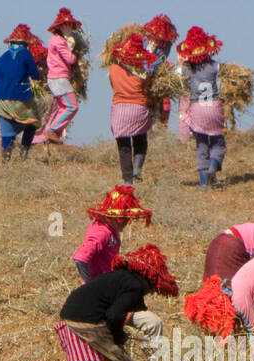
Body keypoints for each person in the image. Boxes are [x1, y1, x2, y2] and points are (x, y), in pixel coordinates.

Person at [57, 243, 176, 361]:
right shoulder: (134, 286)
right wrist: (118, 337)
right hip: (86, 324)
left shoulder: (120, 278)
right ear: (151, 279)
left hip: (69, 321)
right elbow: (114, 315)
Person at [175, 27, 226, 187]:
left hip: (196, 108)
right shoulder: (214, 66)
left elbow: (176, 77)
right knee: (218, 141)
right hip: (213, 106)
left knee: (201, 143)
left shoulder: (187, 68)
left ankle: (203, 182)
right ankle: (213, 166)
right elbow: (226, 75)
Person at [72, 184, 152, 284]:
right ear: (112, 217)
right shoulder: (101, 232)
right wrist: (89, 286)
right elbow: (80, 258)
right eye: (123, 218)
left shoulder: (111, 230)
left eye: (127, 218)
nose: (126, 221)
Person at [108, 34, 156, 183]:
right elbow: (146, 92)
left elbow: (113, 86)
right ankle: (137, 168)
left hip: (119, 110)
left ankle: (128, 181)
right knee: (140, 139)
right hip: (138, 109)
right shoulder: (143, 73)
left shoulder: (114, 69)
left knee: (124, 147)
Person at [0, 24, 41, 161]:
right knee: (32, 122)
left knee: (7, 129)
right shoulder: (25, 54)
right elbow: (35, 75)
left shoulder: (2, 57)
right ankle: (24, 153)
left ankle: (6, 159)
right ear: (26, 43)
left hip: (0, 99)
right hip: (19, 96)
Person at [39, 8, 83, 144]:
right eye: (65, 25)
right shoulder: (59, 41)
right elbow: (70, 59)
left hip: (56, 77)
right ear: (59, 27)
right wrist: (74, 53)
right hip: (59, 78)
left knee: (58, 108)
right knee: (71, 106)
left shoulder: (55, 40)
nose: (68, 27)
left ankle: (47, 134)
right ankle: (52, 130)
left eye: (70, 25)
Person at [142, 13, 178, 127]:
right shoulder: (149, 41)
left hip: (153, 77)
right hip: (147, 77)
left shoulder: (165, 45)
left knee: (156, 108)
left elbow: (157, 62)